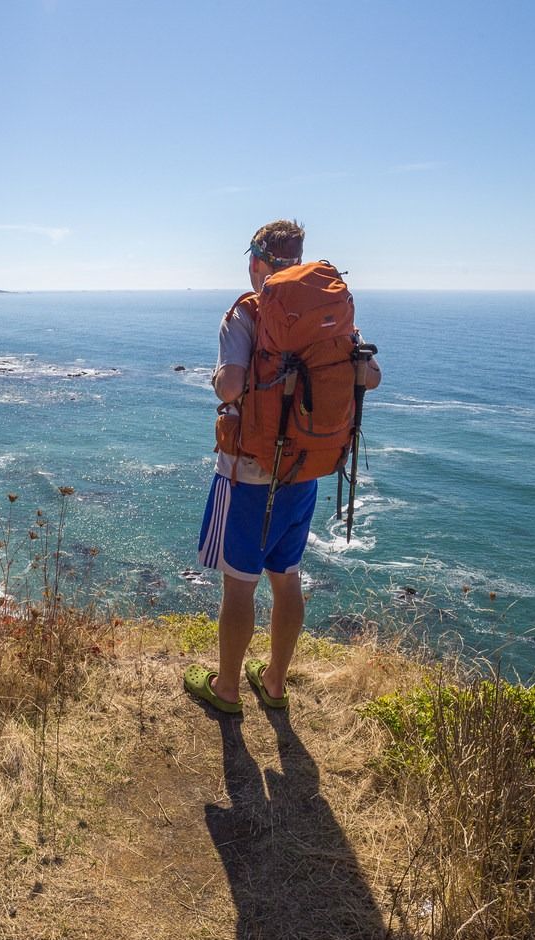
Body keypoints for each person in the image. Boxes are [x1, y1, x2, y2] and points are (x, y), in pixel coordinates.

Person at [184, 219, 381, 713]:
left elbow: (229, 387)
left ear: (256, 261)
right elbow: (370, 374)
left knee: (239, 582)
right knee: (287, 575)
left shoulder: (246, 313)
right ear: (298, 258)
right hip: (307, 467)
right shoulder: (328, 308)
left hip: (249, 472)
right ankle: (274, 682)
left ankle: (226, 689)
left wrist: (222, 380)